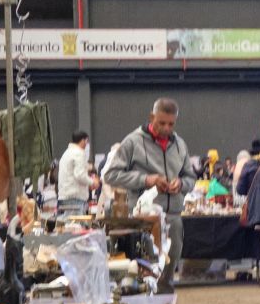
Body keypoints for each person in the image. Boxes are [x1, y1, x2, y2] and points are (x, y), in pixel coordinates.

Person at [102, 98, 191, 291]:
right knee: (142, 273)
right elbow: (111, 175)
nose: (167, 128)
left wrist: (181, 183)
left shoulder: (180, 145)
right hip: (143, 220)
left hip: (173, 218)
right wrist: (145, 180)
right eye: (162, 123)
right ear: (152, 117)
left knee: (168, 271)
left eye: (171, 124)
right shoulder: (133, 142)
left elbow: (191, 177)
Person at [57, 132, 92, 211]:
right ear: (83, 141)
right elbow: (80, 175)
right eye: (87, 141)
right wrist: (92, 182)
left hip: (63, 197)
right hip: (75, 199)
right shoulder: (79, 153)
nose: (87, 144)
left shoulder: (66, 153)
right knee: (76, 223)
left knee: (65, 223)